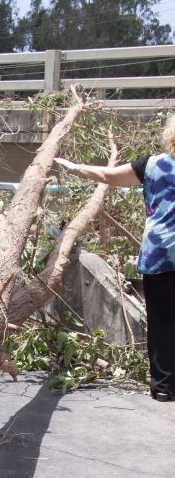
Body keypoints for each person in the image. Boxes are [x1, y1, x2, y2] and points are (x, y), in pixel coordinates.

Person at [56, 119, 175, 402]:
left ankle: (164, 386)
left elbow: (109, 176)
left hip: (160, 255)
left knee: (162, 321)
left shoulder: (153, 165)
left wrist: (75, 168)